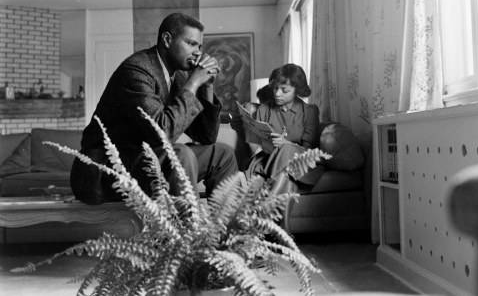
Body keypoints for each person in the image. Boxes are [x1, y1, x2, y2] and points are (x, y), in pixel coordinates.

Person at [71, 13, 239, 204]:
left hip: (146, 162)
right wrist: (193, 84)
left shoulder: (178, 78)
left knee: (222, 154)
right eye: (191, 44)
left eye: (199, 47)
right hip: (106, 169)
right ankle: (189, 232)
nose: (197, 53)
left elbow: (206, 136)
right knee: (180, 154)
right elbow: (162, 133)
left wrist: (207, 87)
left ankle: (226, 228)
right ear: (167, 40)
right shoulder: (136, 70)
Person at [244, 64, 324, 230]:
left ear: (297, 89)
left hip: (303, 162)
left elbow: (309, 149)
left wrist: (287, 144)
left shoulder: (309, 111)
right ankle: (283, 232)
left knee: (287, 151)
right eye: (275, 88)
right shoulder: (264, 109)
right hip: (268, 161)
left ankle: (267, 207)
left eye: (284, 90)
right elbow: (255, 146)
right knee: (288, 180)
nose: (277, 94)